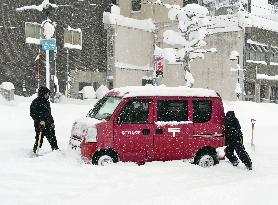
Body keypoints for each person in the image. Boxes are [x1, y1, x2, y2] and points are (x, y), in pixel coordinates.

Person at [30, 86, 59, 154]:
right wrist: (40, 120)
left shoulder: (46, 102)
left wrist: (52, 122)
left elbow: (49, 114)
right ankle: (35, 151)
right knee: (39, 139)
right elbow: (32, 114)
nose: (48, 95)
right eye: (47, 94)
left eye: (48, 94)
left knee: (52, 138)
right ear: (42, 93)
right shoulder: (35, 102)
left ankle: (56, 151)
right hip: (40, 125)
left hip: (48, 123)